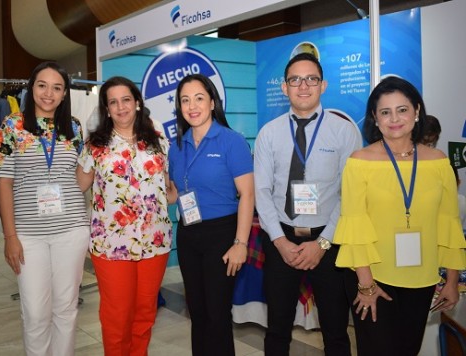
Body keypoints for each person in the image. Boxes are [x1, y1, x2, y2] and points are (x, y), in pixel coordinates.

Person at [333, 76, 466, 356]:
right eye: (385, 111)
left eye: (402, 109)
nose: (394, 118)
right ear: (375, 118)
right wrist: (366, 285)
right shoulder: (359, 161)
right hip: (373, 276)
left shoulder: (439, 161)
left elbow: (449, 223)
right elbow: (354, 224)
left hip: (422, 277)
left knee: (408, 350)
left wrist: (451, 280)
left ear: (417, 112)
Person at [254, 52, 361, 356]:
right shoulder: (269, 133)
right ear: (284, 87)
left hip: (329, 242)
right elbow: (262, 190)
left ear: (323, 85)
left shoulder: (344, 132)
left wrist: (323, 243)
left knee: (336, 330)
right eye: (295, 80)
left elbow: (349, 194)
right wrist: (279, 241)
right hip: (280, 240)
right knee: (276, 330)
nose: (303, 86)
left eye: (311, 79)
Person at [0, 61, 89, 356]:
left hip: (72, 229)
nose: (49, 93)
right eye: (42, 85)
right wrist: (10, 236)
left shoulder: (73, 127)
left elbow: (81, 180)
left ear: (64, 94)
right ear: (31, 87)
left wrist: (98, 155)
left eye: (57, 87)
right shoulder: (12, 126)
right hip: (28, 235)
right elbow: (4, 183)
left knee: (66, 308)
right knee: (36, 313)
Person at [76, 76, 175, 356]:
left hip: (154, 243)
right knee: (117, 316)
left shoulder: (158, 142)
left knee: (145, 314)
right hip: (111, 245)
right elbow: (79, 186)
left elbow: (168, 189)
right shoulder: (95, 145)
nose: (121, 107)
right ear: (106, 109)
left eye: (126, 100)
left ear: (138, 103)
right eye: (113, 102)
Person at [168, 73, 255, 355]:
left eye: (199, 98)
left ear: (212, 102)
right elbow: (176, 193)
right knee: (198, 313)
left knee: (217, 315)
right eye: (185, 100)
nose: (192, 106)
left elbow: (248, 195)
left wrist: (240, 243)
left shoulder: (231, 141)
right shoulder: (177, 146)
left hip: (222, 235)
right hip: (189, 233)